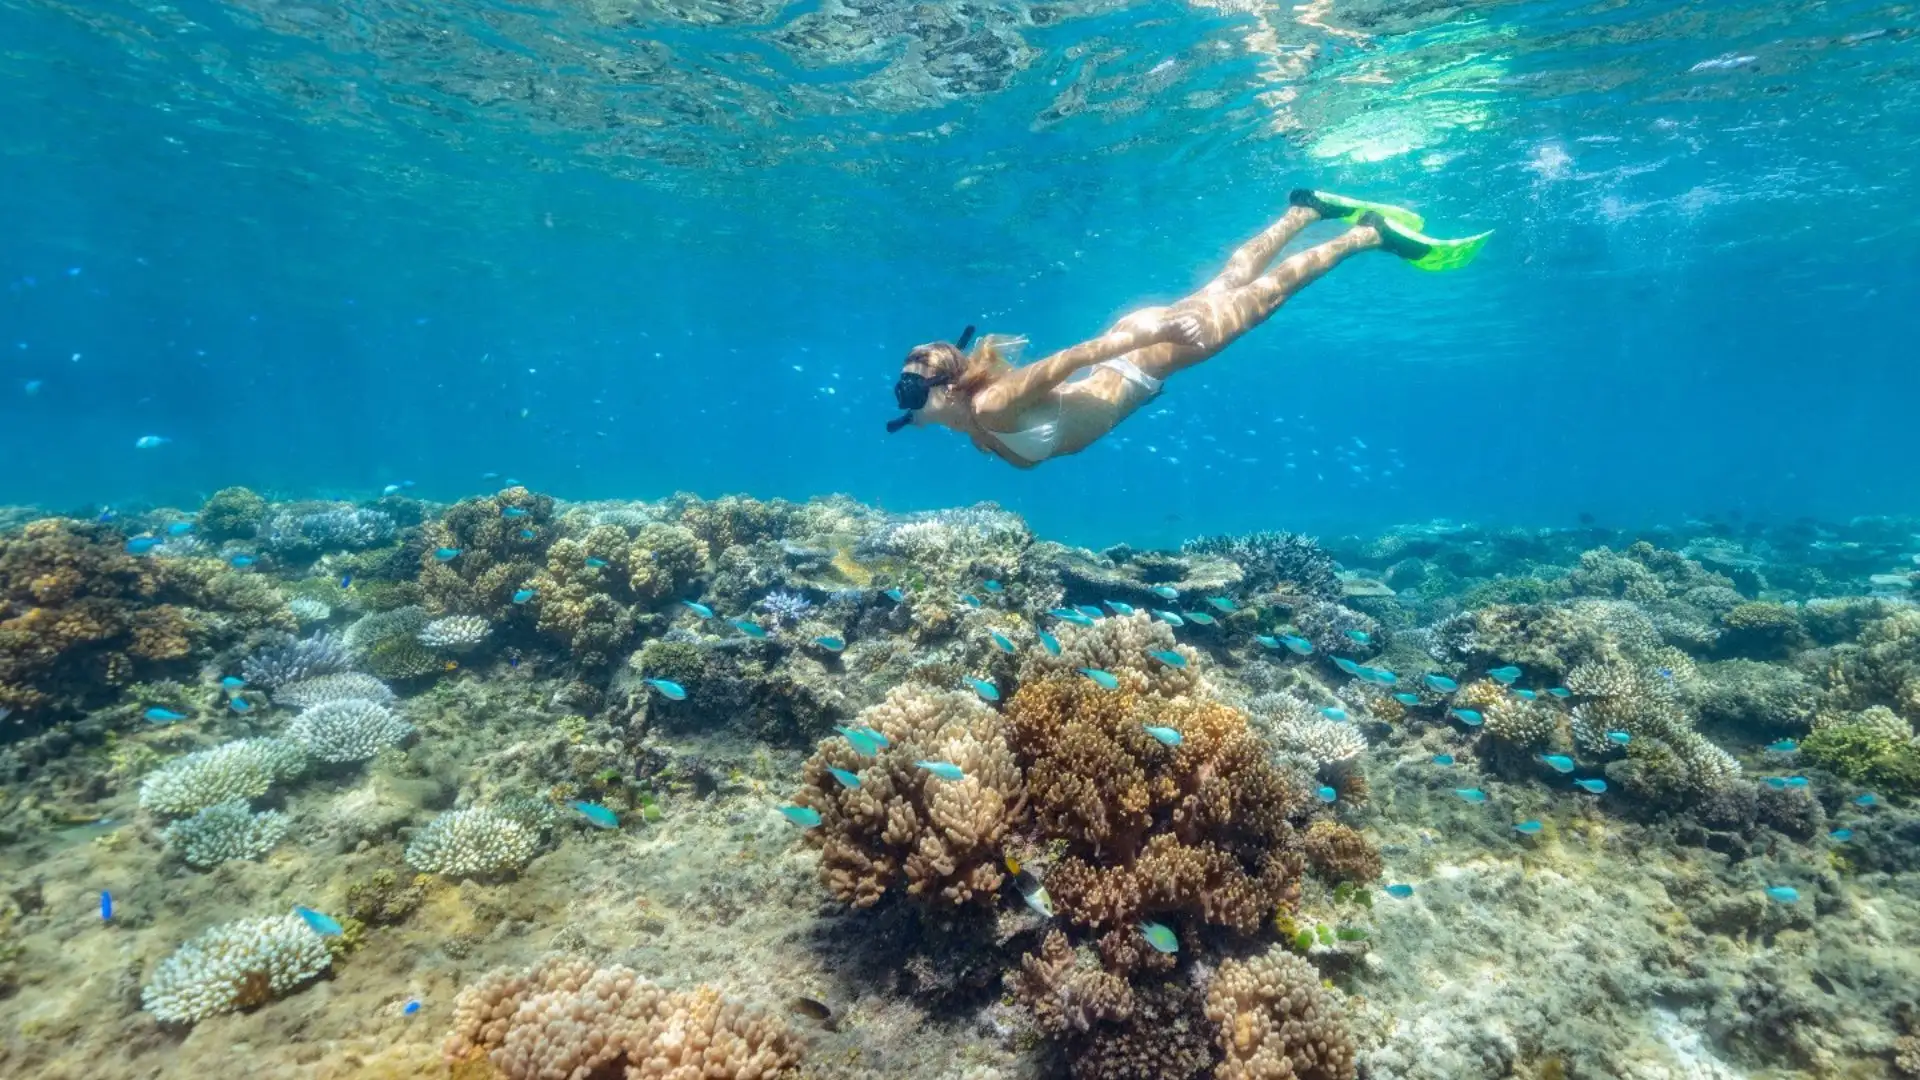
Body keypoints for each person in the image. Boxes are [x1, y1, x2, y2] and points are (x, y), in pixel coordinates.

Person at [885, 190, 1489, 468]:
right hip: (1136, 354)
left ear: (947, 387)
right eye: (905, 390)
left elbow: (1072, 358)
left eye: (910, 390)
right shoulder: (973, 422)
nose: (905, 401)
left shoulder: (991, 406)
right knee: (1232, 284)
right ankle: (1305, 210)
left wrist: (1153, 336)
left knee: (1265, 297)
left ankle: (1368, 234)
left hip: (1145, 355)